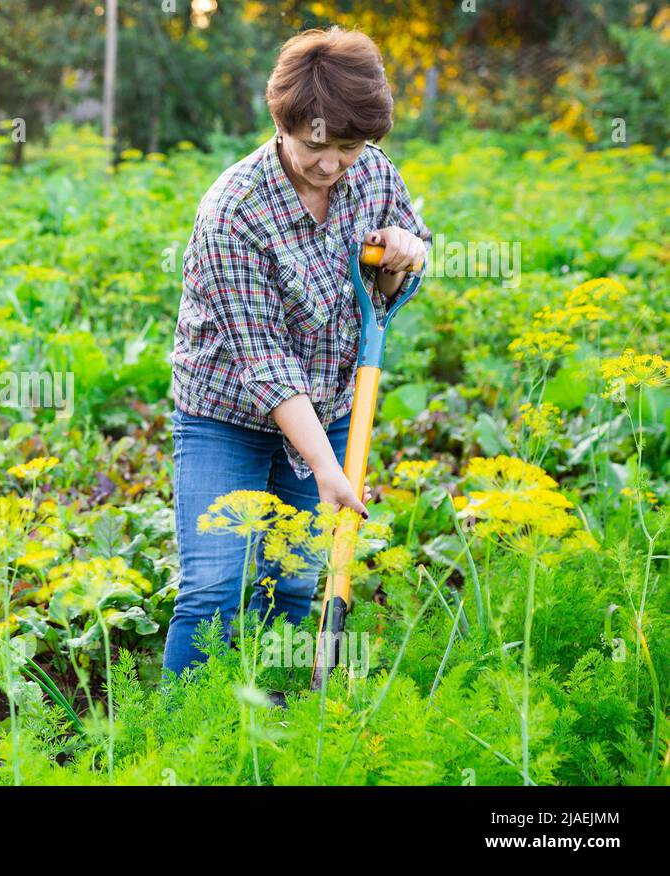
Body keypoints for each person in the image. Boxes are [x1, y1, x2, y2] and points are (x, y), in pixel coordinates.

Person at [164, 27, 432, 677]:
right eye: (318, 145)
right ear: (282, 122)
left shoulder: (373, 173)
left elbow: (397, 270)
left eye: (350, 146)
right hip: (225, 414)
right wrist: (324, 467)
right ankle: (180, 742)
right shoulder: (234, 211)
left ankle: (275, 720)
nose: (333, 164)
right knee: (213, 590)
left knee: (291, 584)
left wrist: (406, 253)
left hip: (333, 400)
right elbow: (264, 362)